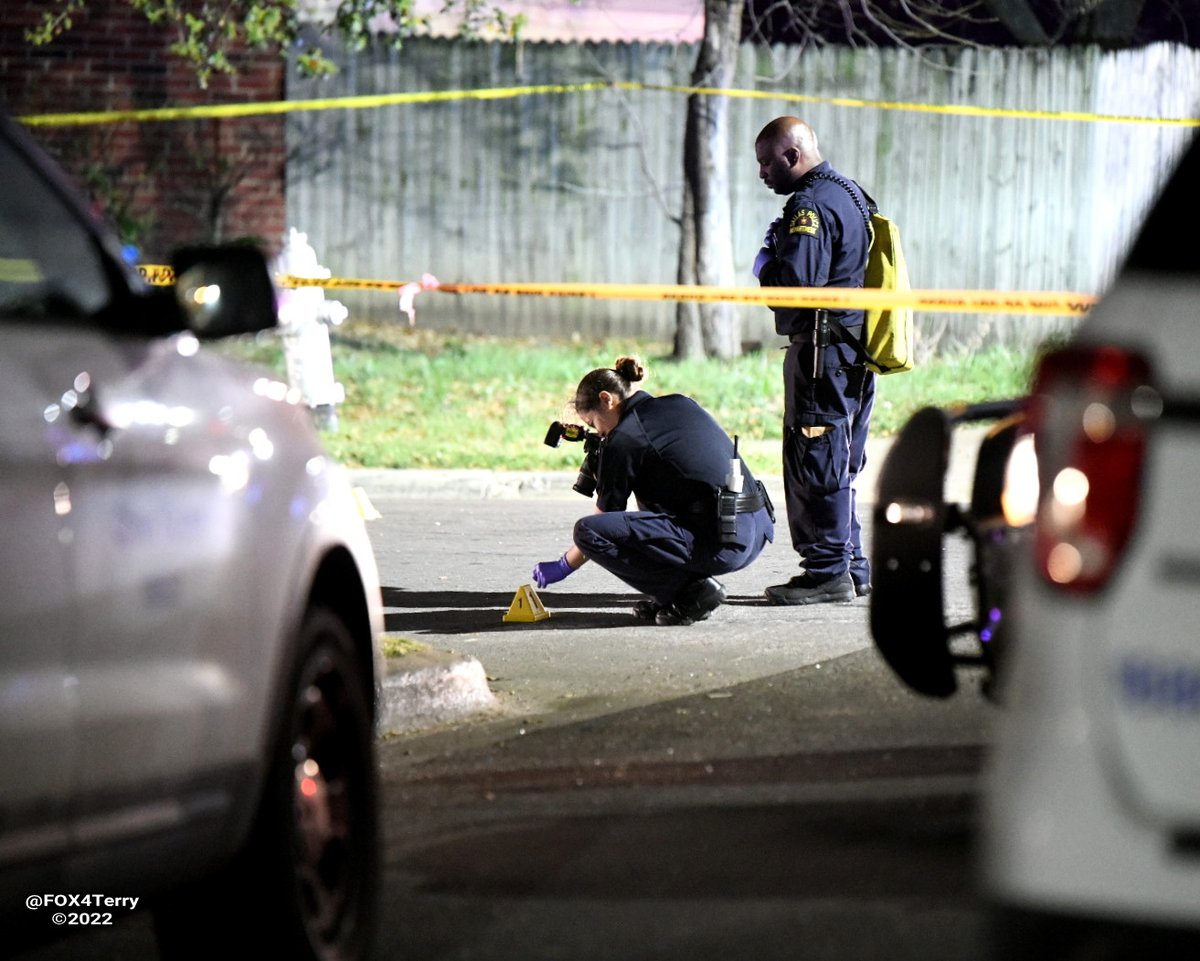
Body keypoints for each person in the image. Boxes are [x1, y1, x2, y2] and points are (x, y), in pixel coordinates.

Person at [530, 356, 775, 626]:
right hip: (756, 529)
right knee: (652, 503)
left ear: (607, 399)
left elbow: (601, 524)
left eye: (593, 424)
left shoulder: (624, 440)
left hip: (722, 544)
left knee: (587, 532)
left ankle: (689, 593)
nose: (598, 433)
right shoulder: (680, 403)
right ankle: (670, 596)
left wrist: (564, 565)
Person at [752, 115, 876, 605]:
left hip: (824, 356)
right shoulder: (852, 194)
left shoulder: (809, 205)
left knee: (816, 459)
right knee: (839, 461)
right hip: (854, 352)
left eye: (766, 162)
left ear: (792, 156)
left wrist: (766, 267)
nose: (762, 173)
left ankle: (827, 572)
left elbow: (797, 289)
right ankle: (853, 565)